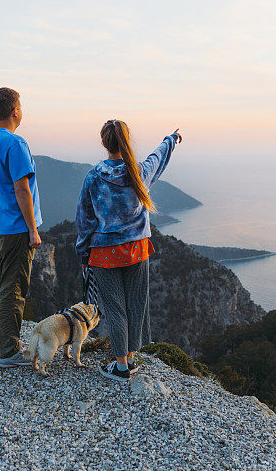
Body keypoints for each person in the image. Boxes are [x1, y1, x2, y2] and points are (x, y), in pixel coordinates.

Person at [75, 120, 182, 381]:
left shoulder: (94, 176)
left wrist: (82, 253)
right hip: (137, 250)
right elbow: (158, 158)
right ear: (126, 141)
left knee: (114, 307)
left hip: (104, 253)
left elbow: (85, 219)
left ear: (104, 142)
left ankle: (122, 366)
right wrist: (171, 139)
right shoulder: (138, 173)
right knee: (136, 303)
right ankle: (131, 357)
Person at [0, 87, 42, 368]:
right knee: (13, 288)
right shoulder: (15, 144)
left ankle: (1, 344)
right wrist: (33, 230)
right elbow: (21, 188)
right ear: (15, 111)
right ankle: (10, 351)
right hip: (15, 228)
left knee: (0, 286)